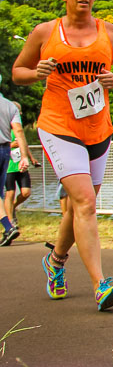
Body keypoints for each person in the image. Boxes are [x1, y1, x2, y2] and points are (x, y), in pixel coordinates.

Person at [11, 0, 113, 310]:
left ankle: (55, 261)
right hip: (58, 126)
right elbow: (17, 72)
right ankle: (100, 285)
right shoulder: (45, 32)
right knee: (85, 203)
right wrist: (35, 73)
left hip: (98, 130)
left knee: (77, 207)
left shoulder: (109, 34)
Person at [0, 83, 34, 246]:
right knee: (2, 193)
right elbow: (19, 132)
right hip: (5, 151)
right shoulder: (9, 105)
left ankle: (8, 226)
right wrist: (25, 157)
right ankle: (8, 226)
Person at [4, 102, 42, 234]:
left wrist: (31, 159)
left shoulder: (18, 128)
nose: (19, 115)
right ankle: (10, 223)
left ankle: (13, 207)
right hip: (9, 166)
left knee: (26, 192)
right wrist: (12, 144)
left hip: (21, 165)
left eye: (19, 112)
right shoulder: (4, 127)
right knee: (10, 193)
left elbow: (23, 144)